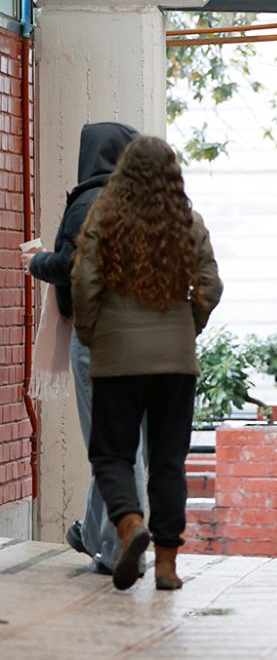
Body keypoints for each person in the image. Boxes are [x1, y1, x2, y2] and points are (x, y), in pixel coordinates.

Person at [71, 135, 223, 591]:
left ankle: (129, 524)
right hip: (175, 362)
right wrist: (186, 327)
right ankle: (167, 565)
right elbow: (211, 286)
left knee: (112, 453)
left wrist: (92, 334)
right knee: (169, 461)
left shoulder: (105, 219)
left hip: (117, 357)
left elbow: (83, 282)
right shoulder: (187, 222)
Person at [22, 122, 147, 576]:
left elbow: (73, 267)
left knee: (114, 449)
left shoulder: (89, 201)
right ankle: (92, 534)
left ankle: (121, 542)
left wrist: (36, 261)